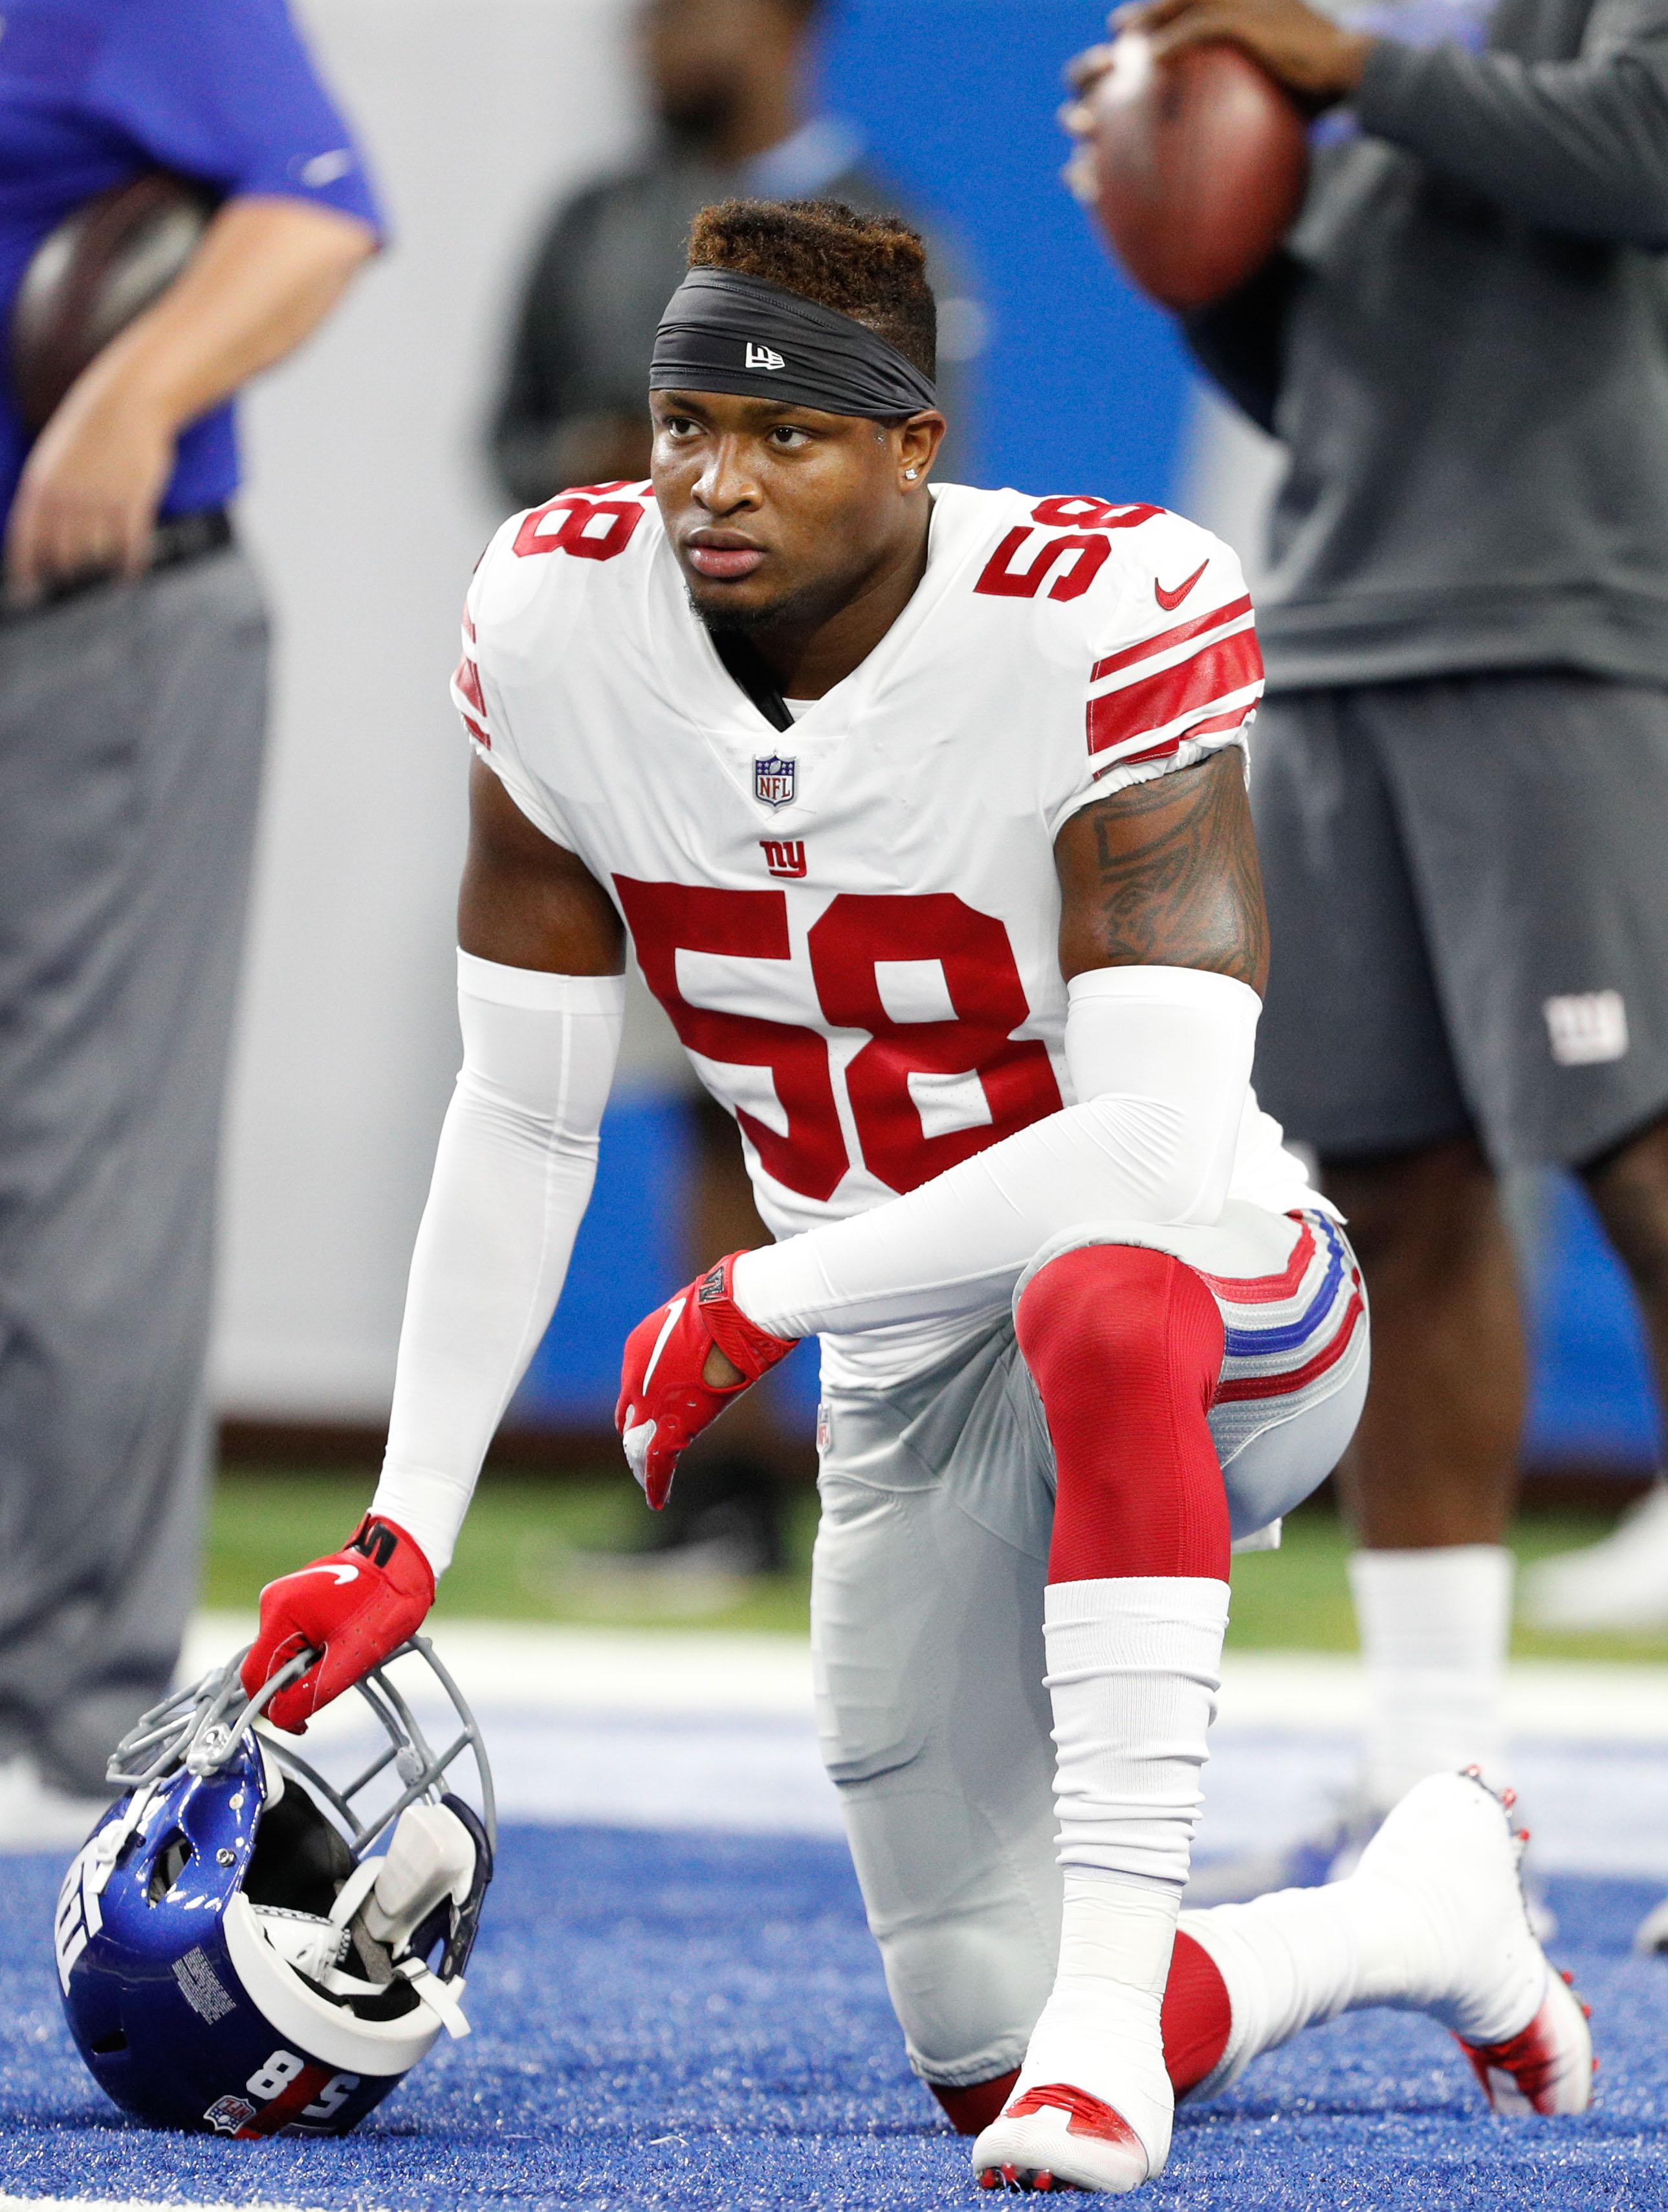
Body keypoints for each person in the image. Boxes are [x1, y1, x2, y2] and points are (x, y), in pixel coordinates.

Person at [241, 201, 1588, 2193]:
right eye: (684, 421)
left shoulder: (1104, 608)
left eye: (785, 434)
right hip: (899, 1349)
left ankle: (1113, 2044)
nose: (713, 479)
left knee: (1100, 1292)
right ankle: (1417, 1915)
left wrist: (758, 1298)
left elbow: (1142, 1144)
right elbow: (521, 1116)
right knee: (976, 2035)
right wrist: (401, 1523)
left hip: (1223, 1293)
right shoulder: (548, 618)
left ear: (914, 446)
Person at [1066, 0, 1668, 1904]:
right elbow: (1325, 381)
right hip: (1337, 633)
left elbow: (1643, 155)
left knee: (1649, 1162)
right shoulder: (1427, 39)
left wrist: (1336, 72)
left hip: (1566, 633)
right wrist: (1179, 215)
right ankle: (1435, 1775)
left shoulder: (1467, 46)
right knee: (1401, 1196)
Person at [490, 0, 983, 1572]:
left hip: (834, 711)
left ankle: (931, 1481)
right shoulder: (591, 216)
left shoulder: (883, 228)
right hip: (636, 720)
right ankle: (729, 1489)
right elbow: (510, 441)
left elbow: (924, 473)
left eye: (683, 7)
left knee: (878, 1097)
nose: (647, 38)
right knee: (696, 1097)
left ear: (783, 20)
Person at [0, 0, 380, 1840]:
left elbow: (317, 204)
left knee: (84, 1163)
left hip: (90, 629)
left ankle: (70, 1714)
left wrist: (133, 393)